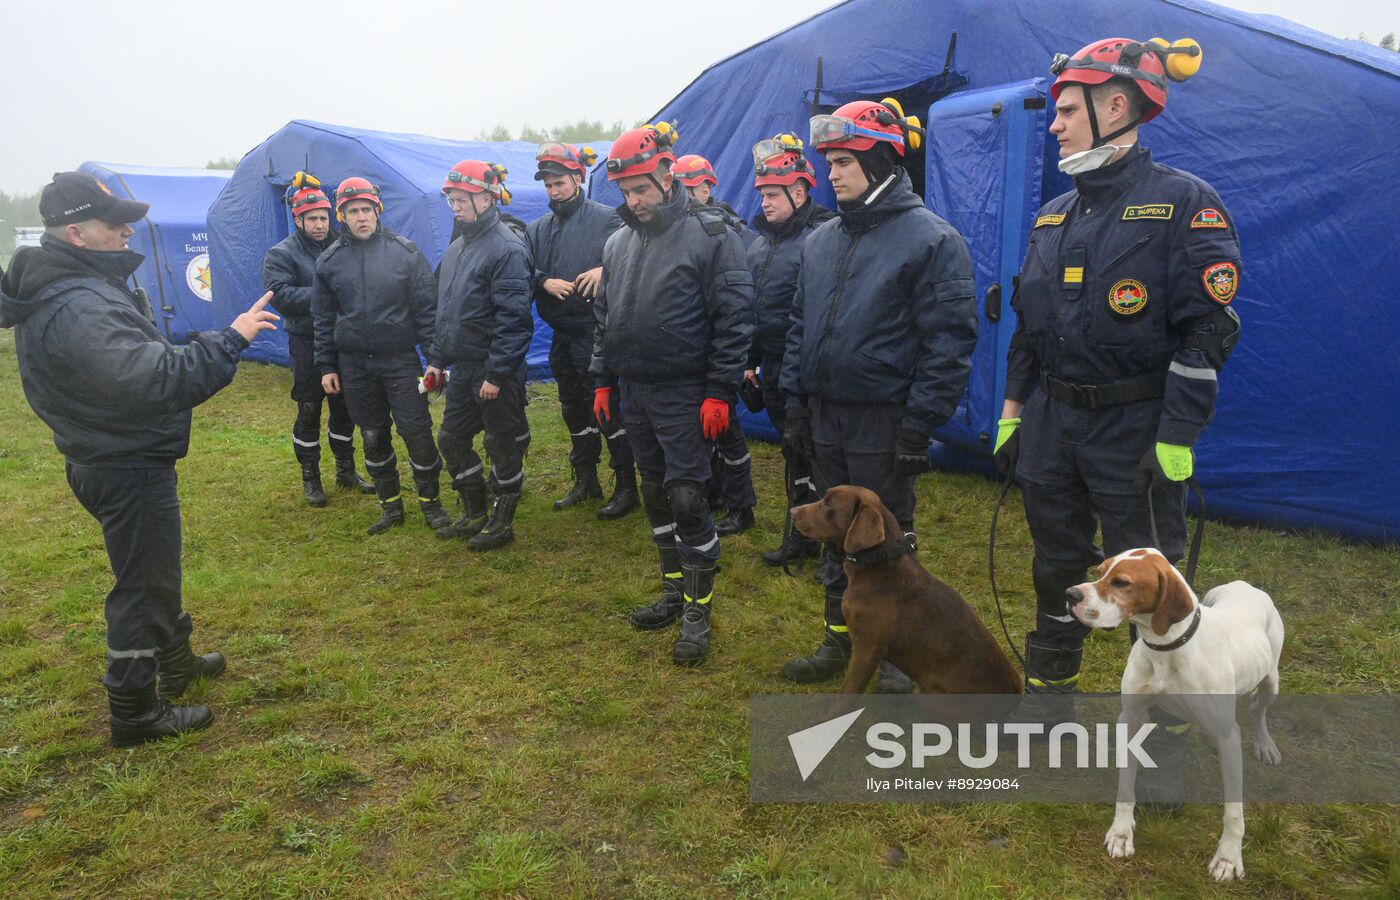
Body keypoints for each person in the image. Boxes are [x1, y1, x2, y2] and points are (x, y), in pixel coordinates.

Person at [994, 38, 1240, 733]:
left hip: (1137, 432)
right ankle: (1048, 711)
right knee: (1055, 569)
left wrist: (1178, 433)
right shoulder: (1053, 217)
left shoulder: (1185, 204)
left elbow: (1209, 331)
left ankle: (1160, 747)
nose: (1055, 124)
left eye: (1068, 110)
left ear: (1117, 105)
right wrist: (1012, 416)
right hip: (1052, 428)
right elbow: (1028, 333)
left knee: (1154, 594)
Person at [0, 171, 279, 745]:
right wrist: (230, 340)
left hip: (115, 452)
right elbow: (153, 380)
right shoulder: (77, 304)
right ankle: (134, 712)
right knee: (141, 585)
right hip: (122, 461)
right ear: (77, 233)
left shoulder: (78, 283)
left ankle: (175, 663)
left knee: (155, 569)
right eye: (114, 222)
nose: (128, 230)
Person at [781, 98, 978, 691]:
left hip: (884, 419)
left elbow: (949, 343)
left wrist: (920, 424)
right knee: (832, 532)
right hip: (824, 416)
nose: (832, 172)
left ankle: (893, 658)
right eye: (830, 162)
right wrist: (793, 401)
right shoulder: (820, 241)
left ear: (883, 161)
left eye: (844, 161)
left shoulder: (931, 241)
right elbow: (800, 324)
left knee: (887, 545)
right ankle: (838, 640)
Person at [592, 123, 754, 666]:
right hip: (634, 391)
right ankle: (671, 589)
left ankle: (698, 610)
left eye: (641, 188)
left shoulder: (712, 235)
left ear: (666, 174)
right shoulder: (617, 242)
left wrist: (719, 391)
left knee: (689, 498)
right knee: (656, 494)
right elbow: (604, 319)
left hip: (686, 393)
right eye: (626, 192)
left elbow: (734, 320)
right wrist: (602, 379)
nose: (634, 200)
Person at [313, 177, 449, 535]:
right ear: (341, 215)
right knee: (372, 435)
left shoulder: (404, 253)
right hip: (354, 365)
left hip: (400, 361)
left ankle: (432, 506)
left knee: (417, 433)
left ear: (378, 211)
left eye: (367, 210)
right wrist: (327, 365)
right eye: (353, 211)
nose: (362, 218)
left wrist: (434, 359)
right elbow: (323, 318)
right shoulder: (329, 262)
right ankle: (390, 508)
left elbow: (426, 311)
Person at [524, 142, 638, 519]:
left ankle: (626, 486)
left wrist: (605, 270)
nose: (554, 191)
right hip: (561, 333)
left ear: (577, 178)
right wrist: (543, 282)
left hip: (595, 331)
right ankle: (586, 479)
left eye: (559, 183)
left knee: (606, 408)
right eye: (548, 186)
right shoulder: (539, 228)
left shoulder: (608, 218)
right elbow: (523, 268)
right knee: (572, 409)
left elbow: (638, 252)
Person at [426, 160, 535, 550]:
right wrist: (437, 360)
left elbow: (515, 321)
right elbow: (447, 312)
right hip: (463, 367)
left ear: (488, 198)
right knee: (451, 439)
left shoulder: (507, 248)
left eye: (462, 199)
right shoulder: (457, 248)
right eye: (451, 199)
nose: (455, 206)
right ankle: (474, 510)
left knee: (502, 445)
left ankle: (502, 522)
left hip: (495, 372)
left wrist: (497, 372)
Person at [745, 134, 835, 567]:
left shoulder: (823, 237)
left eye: (772, 194)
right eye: (762, 194)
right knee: (793, 452)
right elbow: (753, 308)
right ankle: (800, 536)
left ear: (799, 193)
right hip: (775, 366)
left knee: (821, 459)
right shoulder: (760, 244)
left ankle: (833, 551)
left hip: (812, 370)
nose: (764, 202)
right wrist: (749, 363)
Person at [262, 176, 374, 507]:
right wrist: (325, 296)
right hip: (305, 341)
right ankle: (311, 477)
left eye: (324, 217)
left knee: (344, 407)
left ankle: (346, 471)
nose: (319, 224)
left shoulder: (342, 246)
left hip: (341, 341)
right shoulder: (281, 254)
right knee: (310, 408)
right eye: (312, 218)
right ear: (298, 219)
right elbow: (280, 295)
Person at [673, 153, 757, 536]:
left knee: (728, 433)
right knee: (699, 434)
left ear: (707, 189)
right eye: (680, 189)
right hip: (689, 354)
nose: (686, 197)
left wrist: (740, 359)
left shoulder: (732, 235)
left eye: (692, 189)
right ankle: (714, 493)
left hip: (719, 354)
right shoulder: (673, 233)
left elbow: (740, 305)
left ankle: (743, 506)